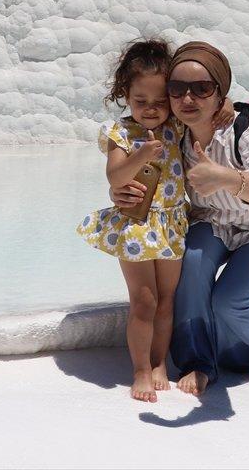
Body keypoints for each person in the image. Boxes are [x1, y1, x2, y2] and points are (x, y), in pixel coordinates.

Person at [111, 41, 249, 396]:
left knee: (227, 300)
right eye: (178, 89)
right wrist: (119, 192)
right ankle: (198, 361)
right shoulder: (176, 129)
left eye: (202, 89)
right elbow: (143, 167)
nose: (188, 98)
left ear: (220, 91)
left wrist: (225, 178)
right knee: (189, 271)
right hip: (217, 221)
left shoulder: (248, 128)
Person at [78, 38, 232, 403]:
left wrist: (227, 106)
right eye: (140, 101)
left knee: (167, 301)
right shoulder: (121, 133)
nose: (150, 109)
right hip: (136, 225)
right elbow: (116, 178)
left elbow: (206, 111)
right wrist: (141, 154)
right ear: (125, 96)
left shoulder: (176, 126)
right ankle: (140, 370)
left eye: (160, 101)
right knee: (143, 302)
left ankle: (160, 362)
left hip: (171, 224)